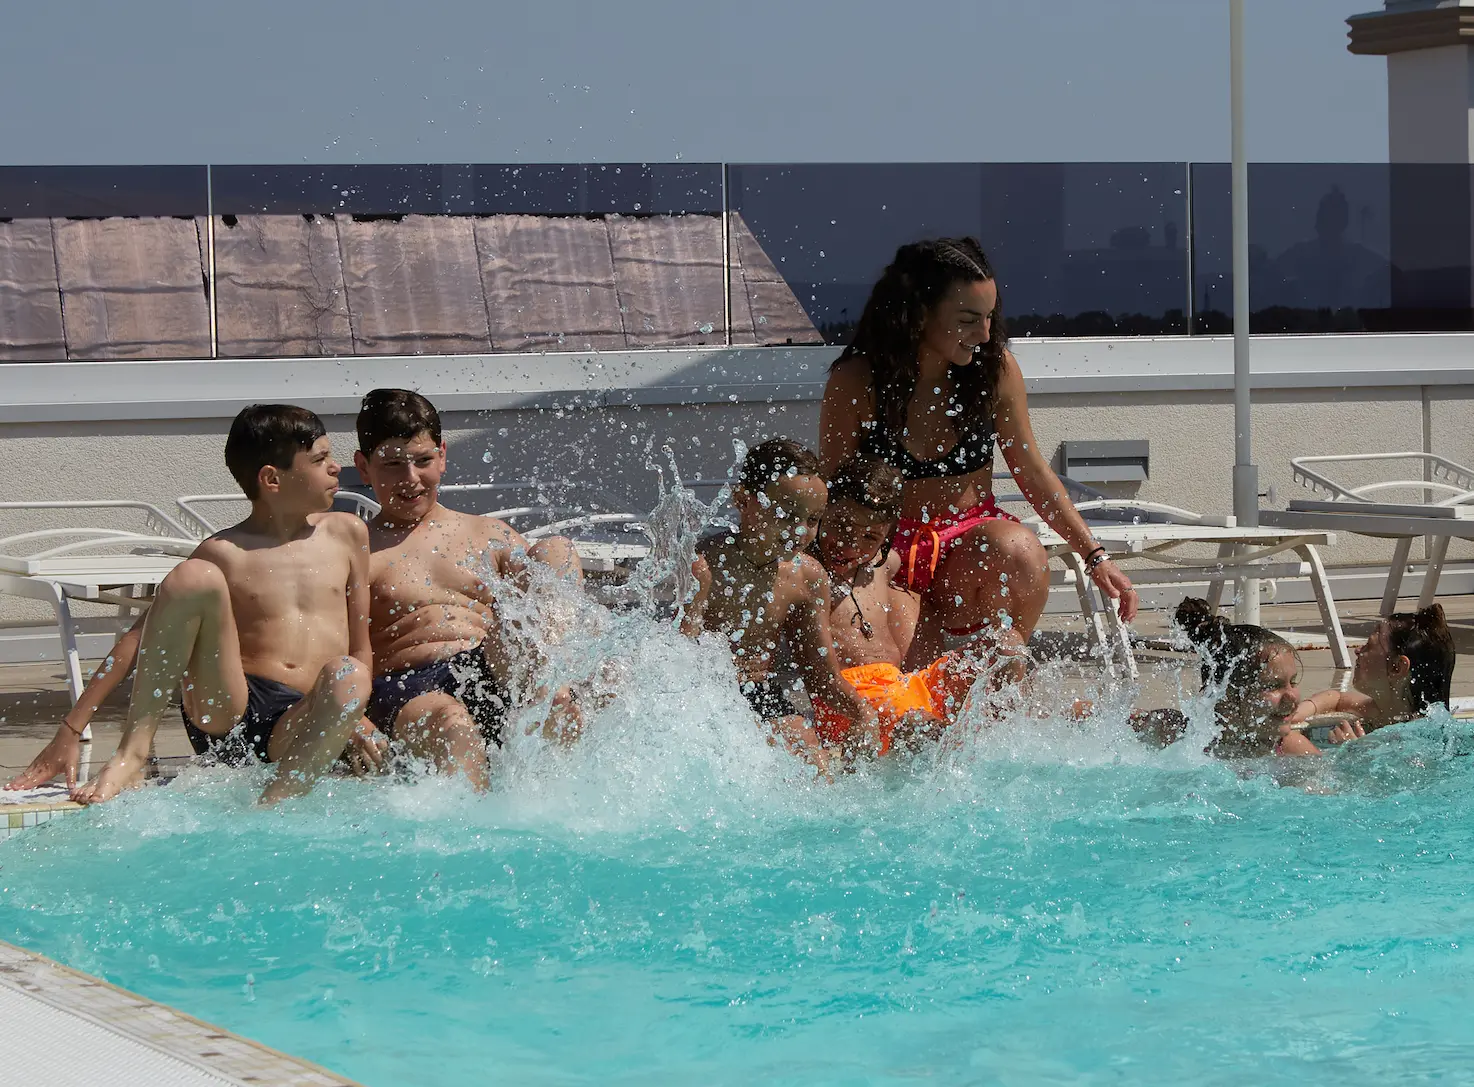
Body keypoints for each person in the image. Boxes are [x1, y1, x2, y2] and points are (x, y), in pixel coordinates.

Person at [819, 237, 1137, 669]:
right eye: (969, 319)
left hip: (964, 556)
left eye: (989, 318)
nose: (985, 334)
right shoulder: (857, 381)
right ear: (918, 314)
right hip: (885, 554)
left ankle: (1008, 683)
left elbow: (1032, 471)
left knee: (1019, 551)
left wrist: (1094, 554)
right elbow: (834, 491)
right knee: (915, 688)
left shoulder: (995, 371)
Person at [71, 404, 379, 805]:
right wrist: (71, 728)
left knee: (351, 674)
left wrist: (355, 714)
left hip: (299, 718)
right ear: (272, 478)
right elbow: (137, 641)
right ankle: (132, 754)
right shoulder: (225, 552)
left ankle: (274, 807)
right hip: (226, 711)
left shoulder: (347, 534)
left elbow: (360, 646)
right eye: (320, 459)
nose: (336, 468)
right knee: (191, 577)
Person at [355, 389, 583, 790]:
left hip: (493, 674)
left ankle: (553, 698)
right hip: (410, 691)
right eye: (391, 465)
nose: (410, 479)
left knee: (556, 549)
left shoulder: (486, 533)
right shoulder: (358, 551)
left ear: (442, 455)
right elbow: (331, 648)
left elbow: (546, 592)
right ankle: (475, 838)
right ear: (364, 466)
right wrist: (353, 719)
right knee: (451, 721)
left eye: (423, 460)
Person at [681, 439, 880, 769]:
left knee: (811, 764)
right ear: (743, 500)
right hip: (700, 695)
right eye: (788, 515)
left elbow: (821, 676)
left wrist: (862, 712)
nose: (800, 532)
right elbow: (676, 656)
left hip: (757, 693)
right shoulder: (704, 564)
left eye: (813, 519)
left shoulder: (807, 577)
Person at [807, 455, 1009, 754]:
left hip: (906, 685)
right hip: (853, 700)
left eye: (869, 536)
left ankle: (1005, 735)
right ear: (821, 513)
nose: (851, 544)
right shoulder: (808, 574)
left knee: (1005, 646)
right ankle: (962, 768)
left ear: (887, 535)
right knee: (922, 726)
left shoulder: (883, 564)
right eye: (840, 525)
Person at [1127, 598, 1312, 758]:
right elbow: (1114, 721)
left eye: (1293, 682)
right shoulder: (1179, 732)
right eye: (1273, 686)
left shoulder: (1289, 749)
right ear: (1223, 695)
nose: (1292, 696)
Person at [1286, 603, 1456, 744]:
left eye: (1369, 645)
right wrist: (1300, 712)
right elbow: (1336, 698)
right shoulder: (1381, 709)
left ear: (1397, 668)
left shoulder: (1421, 736)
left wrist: (1354, 752)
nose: (1358, 651)